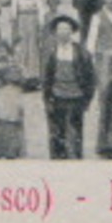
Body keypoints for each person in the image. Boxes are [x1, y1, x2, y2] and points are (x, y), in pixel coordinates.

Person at [41, 15, 96, 159]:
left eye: (66, 29)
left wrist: (87, 99)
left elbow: (90, 78)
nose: (63, 32)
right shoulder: (51, 52)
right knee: (57, 134)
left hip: (76, 97)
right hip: (57, 97)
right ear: (55, 32)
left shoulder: (82, 53)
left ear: (72, 32)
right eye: (60, 29)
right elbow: (46, 79)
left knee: (75, 133)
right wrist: (47, 100)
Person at [0, 54, 27, 160]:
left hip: (12, 97)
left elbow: (23, 82)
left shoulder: (18, 69)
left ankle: (11, 150)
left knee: (11, 122)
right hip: (0, 96)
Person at [9, 0, 45, 89]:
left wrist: (40, 27)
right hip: (21, 24)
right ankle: (22, 77)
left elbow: (41, 12)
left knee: (33, 49)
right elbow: (13, 15)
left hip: (33, 24)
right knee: (21, 49)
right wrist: (14, 30)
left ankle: (34, 78)